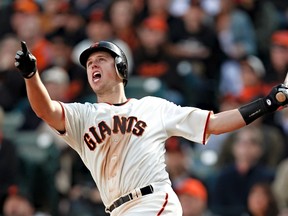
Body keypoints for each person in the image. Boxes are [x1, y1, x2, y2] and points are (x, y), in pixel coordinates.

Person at [14, 40, 288, 215]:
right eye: (88, 63)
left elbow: (213, 123)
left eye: (101, 59)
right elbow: (45, 109)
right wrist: (31, 76)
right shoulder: (81, 115)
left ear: (121, 67)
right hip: (117, 210)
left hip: (152, 203)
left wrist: (266, 104)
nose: (93, 65)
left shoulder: (153, 107)